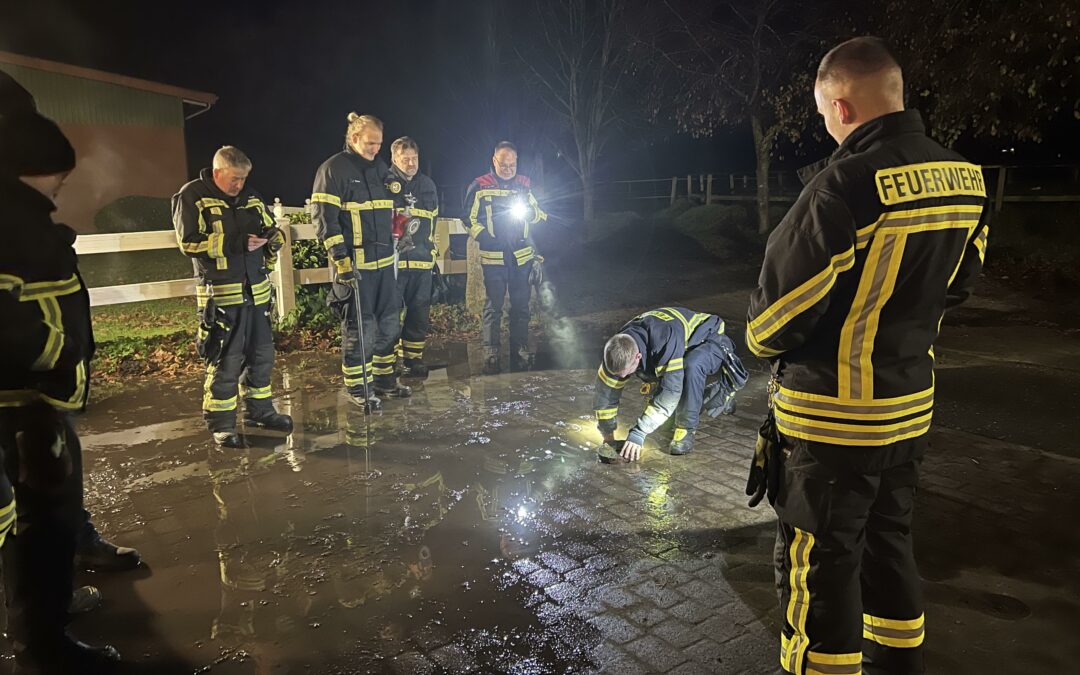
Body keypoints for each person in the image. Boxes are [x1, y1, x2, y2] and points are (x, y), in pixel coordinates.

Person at [744, 37, 989, 675]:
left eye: (825, 114)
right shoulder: (967, 179)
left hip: (831, 422)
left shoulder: (840, 186)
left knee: (822, 562)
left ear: (843, 107)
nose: (827, 126)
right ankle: (900, 660)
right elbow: (957, 286)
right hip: (909, 409)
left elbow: (772, 322)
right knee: (889, 541)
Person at [0, 69, 122, 673]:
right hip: (24, 403)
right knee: (35, 527)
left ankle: (47, 616)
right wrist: (59, 353)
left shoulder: (23, 218)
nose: (62, 187)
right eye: (57, 177)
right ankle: (43, 647)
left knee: (43, 523)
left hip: (34, 402)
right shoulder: (11, 223)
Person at [173, 146, 294, 448]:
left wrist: (273, 239)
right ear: (217, 173)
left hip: (257, 293)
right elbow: (188, 243)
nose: (239, 185)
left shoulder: (251, 197)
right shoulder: (192, 196)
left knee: (261, 356)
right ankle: (222, 424)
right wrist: (236, 243)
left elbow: (271, 228)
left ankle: (260, 412)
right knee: (226, 360)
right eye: (234, 179)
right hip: (222, 296)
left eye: (243, 179)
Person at [312, 114, 411, 410]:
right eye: (370, 143)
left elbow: (391, 208)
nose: (375, 149)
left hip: (385, 265)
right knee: (360, 329)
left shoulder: (380, 169)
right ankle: (358, 387)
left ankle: (384, 380)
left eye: (379, 144)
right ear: (354, 138)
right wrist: (340, 260)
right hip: (355, 268)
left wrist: (402, 225)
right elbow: (324, 220)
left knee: (389, 325)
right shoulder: (333, 170)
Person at [594, 307, 747, 458]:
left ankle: (687, 429)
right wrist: (608, 435)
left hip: (709, 337)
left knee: (691, 367)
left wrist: (639, 432)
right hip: (677, 343)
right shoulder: (617, 348)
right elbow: (606, 393)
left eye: (627, 373)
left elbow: (671, 392)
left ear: (638, 357)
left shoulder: (664, 341)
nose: (624, 377)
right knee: (665, 420)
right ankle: (713, 401)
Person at [465, 141, 547, 375]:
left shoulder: (526, 185)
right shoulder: (480, 185)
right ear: (494, 161)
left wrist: (531, 214)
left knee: (521, 307)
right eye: (504, 165)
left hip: (521, 258)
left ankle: (519, 349)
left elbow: (542, 215)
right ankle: (491, 352)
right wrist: (485, 238)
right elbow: (468, 218)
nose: (508, 169)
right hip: (494, 257)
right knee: (493, 306)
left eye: (512, 165)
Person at [387, 136, 439, 377]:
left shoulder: (427, 185)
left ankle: (413, 358)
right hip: (393, 264)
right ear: (394, 159)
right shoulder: (385, 183)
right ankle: (387, 362)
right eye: (405, 159)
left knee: (419, 313)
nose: (411, 164)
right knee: (390, 314)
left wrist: (431, 251)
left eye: (414, 158)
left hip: (421, 261)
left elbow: (433, 221)